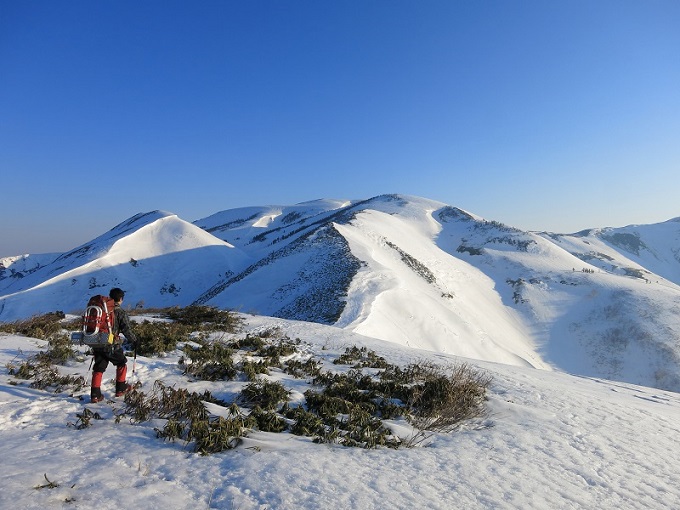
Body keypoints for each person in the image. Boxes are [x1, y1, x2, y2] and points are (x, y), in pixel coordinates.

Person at [90, 287, 139, 403]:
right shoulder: (120, 312)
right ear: (121, 299)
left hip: (98, 342)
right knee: (121, 362)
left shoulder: (102, 309)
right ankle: (121, 388)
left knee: (99, 367)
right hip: (111, 344)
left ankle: (95, 394)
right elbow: (126, 329)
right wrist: (134, 340)